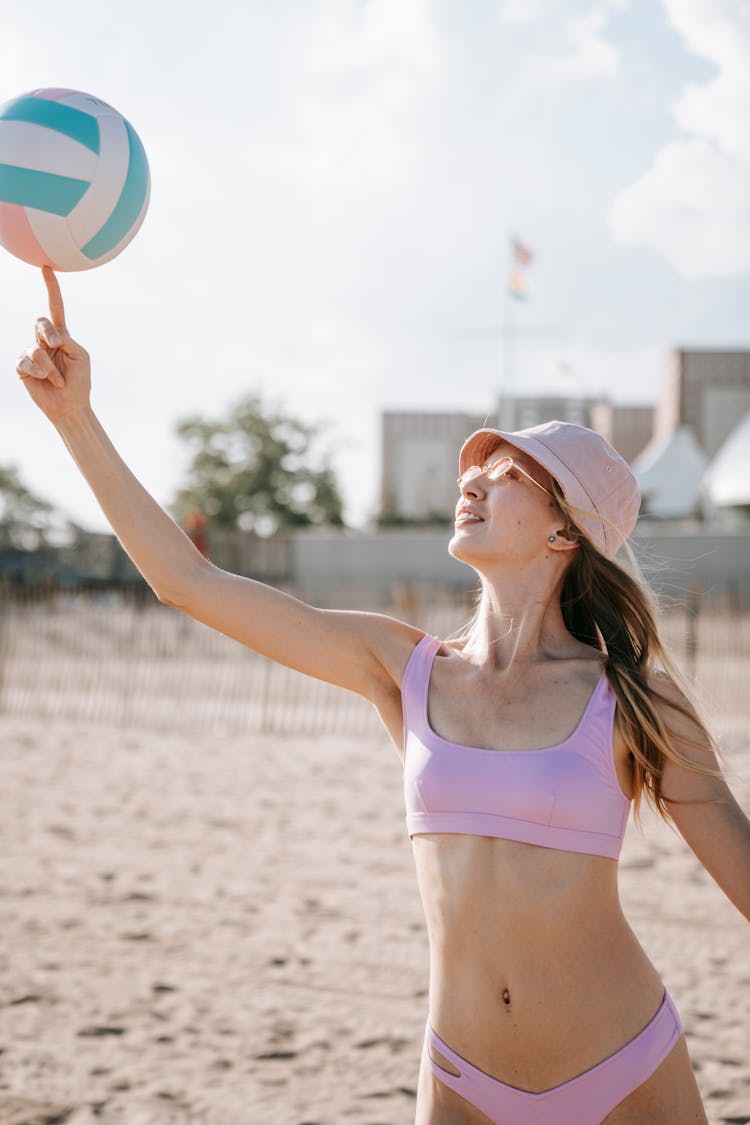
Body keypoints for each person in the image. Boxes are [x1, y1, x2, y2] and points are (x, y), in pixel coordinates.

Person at [16, 268, 750, 1125]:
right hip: (461, 1076)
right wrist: (75, 419)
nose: (471, 481)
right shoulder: (401, 666)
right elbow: (188, 581)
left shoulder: (633, 699)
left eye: (509, 474)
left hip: (623, 1066)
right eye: (476, 469)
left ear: (566, 530)